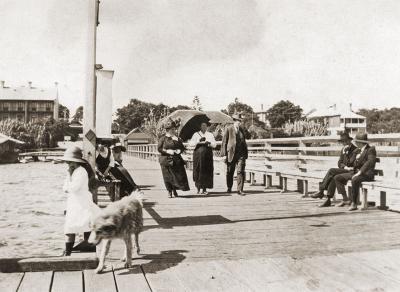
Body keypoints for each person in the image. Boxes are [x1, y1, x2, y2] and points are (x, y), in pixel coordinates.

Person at [62, 146, 100, 256]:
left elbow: (73, 188)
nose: (69, 165)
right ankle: (70, 251)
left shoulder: (81, 172)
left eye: (71, 162)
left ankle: (85, 247)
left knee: (83, 223)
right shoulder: (72, 171)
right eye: (68, 162)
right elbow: (64, 188)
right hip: (74, 202)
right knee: (71, 226)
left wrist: (69, 178)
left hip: (81, 201)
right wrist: (68, 181)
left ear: (77, 162)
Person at [331, 133, 377, 211]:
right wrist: (348, 155)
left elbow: (370, 162)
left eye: (357, 142)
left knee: (355, 179)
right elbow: (349, 163)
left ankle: (354, 203)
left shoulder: (371, 149)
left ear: (361, 142)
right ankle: (345, 199)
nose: (355, 143)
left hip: (366, 174)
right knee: (337, 177)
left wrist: (360, 172)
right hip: (355, 173)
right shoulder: (357, 150)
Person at [311, 132, 359, 207]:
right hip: (345, 170)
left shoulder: (355, 150)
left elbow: (351, 163)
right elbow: (339, 163)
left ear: (350, 141)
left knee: (331, 171)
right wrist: (344, 166)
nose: (344, 143)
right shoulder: (343, 149)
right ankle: (328, 199)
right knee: (333, 176)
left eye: (346, 141)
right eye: (343, 142)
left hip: (351, 171)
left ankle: (321, 191)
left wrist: (345, 154)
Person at [158, 119, 190, 198]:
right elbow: (159, 149)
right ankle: (169, 191)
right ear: (167, 130)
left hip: (176, 160)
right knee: (167, 176)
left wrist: (179, 150)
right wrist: (167, 151)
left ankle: (175, 190)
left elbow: (182, 148)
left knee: (177, 176)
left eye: (174, 129)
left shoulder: (177, 138)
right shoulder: (163, 138)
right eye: (172, 129)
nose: (174, 130)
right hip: (166, 160)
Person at [221, 113, 248, 195]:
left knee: (240, 171)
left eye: (240, 121)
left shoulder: (242, 130)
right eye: (237, 121)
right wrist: (224, 154)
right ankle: (229, 187)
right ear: (234, 121)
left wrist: (245, 153)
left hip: (241, 154)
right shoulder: (229, 129)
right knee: (230, 171)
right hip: (231, 153)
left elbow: (244, 141)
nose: (239, 122)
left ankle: (240, 189)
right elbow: (224, 142)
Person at [189, 121, 217, 195]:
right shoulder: (196, 134)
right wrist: (198, 141)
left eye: (205, 126)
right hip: (198, 155)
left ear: (207, 127)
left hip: (207, 155)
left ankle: (204, 189)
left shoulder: (210, 134)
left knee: (206, 171)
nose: (204, 127)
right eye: (202, 126)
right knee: (198, 170)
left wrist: (209, 143)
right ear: (200, 127)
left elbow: (215, 145)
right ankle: (198, 188)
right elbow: (191, 144)